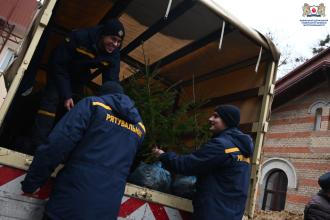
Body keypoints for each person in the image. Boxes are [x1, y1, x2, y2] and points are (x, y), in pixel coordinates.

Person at [21, 81, 145, 220]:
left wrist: (32, 182)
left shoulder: (93, 105)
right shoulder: (139, 128)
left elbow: (57, 145)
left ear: (103, 95)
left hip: (70, 205)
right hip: (106, 211)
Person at [31, 18, 125, 148]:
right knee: (51, 101)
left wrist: (115, 107)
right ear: (103, 35)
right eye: (113, 39)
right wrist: (66, 94)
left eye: (119, 42)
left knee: (76, 108)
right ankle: (37, 147)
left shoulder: (114, 53)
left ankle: (57, 147)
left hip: (79, 75)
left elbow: (112, 82)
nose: (115, 44)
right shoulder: (80, 36)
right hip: (60, 69)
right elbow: (59, 64)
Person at [153, 105, 254, 220]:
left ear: (227, 120)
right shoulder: (241, 149)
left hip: (213, 214)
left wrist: (163, 155)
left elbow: (187, 165)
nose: (210, 119)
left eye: (216, 116)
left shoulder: (222, 146)